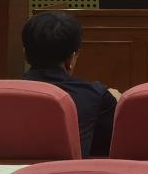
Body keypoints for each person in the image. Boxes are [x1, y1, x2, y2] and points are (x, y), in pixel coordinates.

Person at [21, 11, 119, 158]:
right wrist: (116, 102)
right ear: (72, 58)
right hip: (68, 172)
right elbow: (109, 150)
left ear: (25, 54)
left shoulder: (4, 96)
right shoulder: (97, 97)